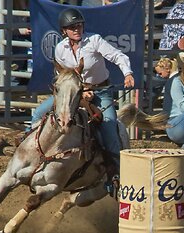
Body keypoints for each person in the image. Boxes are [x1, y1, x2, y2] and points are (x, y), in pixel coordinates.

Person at [32, 8, 135, 191]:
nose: (76, 29)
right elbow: (61, 76)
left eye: (79, 25)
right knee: (39, 112)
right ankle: (28, 147)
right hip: (72, 94)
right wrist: (79, 92)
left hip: (100, 92)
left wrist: (127, 73)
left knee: (110, 125)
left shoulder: (94, 40)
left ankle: (116, 174)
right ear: (64, 31)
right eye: (72, 27)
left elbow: (118, 56)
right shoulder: (60, 49)